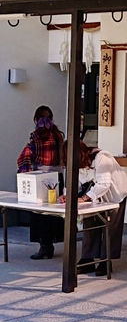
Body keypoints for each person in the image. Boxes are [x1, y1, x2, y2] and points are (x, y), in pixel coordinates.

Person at [59, 141, 127, 276]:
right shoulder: (74, 164)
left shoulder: (102, 157)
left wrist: (85, 198)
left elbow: (104, 184)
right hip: (94, 196)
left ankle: (106, 261)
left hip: (115, 194)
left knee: (110, 227)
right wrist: (66, 196)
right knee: (89, 222)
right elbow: (73, 183)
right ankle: (87, 259)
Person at [16, 105, 65, 260]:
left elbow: (26, 156)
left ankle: (44, 246)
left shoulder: (36, 136)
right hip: (56, 178)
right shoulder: (58, 135)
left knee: (38, 213)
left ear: (36, 119)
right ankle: (50, 243)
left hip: (39, 178)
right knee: (52, 212)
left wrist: (25, 171)